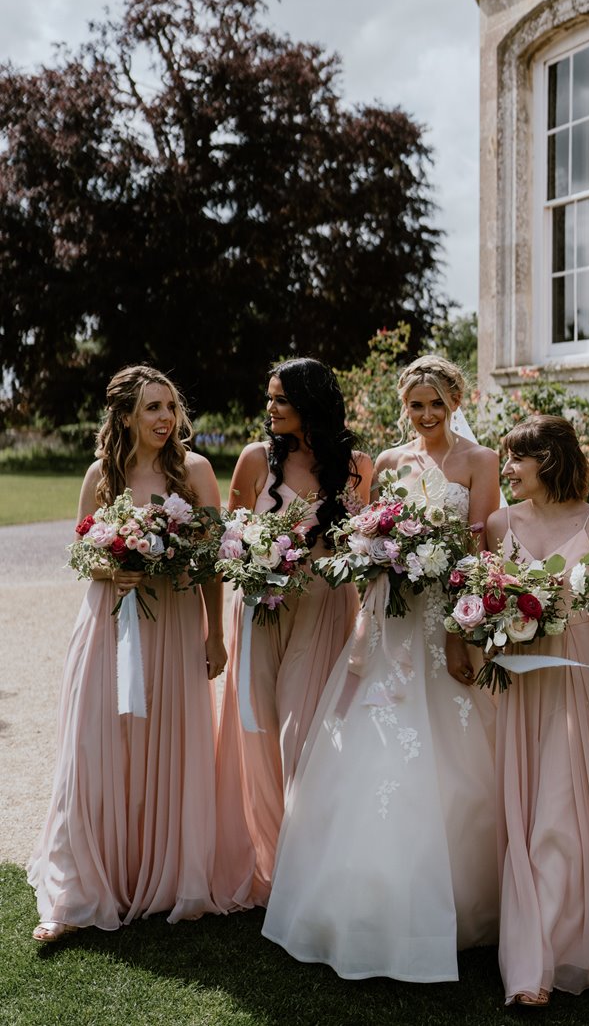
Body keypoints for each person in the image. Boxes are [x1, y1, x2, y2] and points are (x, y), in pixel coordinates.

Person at [261, 354, 500, 981]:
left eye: (436, 404)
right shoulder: (389, 463)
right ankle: (361, 900)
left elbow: (477, 552)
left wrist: (457, 635)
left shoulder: (480, 463)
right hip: (390, 617)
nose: (425, 416)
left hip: (443, 615)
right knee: (366, 747)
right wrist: (372, 572)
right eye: (415, 405)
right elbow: (365, 540)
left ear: (455, 401)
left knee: (460, 763)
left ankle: (462, 902)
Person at [28, 365, 240, 942]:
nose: (165, 418)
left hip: (172, 625)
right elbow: (82, 556)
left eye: (170, 406)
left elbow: (214, 558)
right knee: (97, 746)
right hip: (108, 624)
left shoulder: (195, 471)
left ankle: (166, 876)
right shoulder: (103, 473)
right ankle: (80, 889)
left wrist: (215, 633)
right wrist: (119, 564)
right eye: (152, 407)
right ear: (124, 415)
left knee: (165, 742)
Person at [483, 415, 589, 1008]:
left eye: (516, 461)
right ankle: (530, 951)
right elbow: (485, 597)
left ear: (546, 460)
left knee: (564, 805)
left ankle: (562, 949)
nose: (508, 471)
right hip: (522, 679)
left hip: (579, 672)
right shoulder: (499, 523)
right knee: (526, 803)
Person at [214, 358, 372, 906]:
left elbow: (363, 543)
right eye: (270, 397)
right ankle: (271, 866)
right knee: (256, 733)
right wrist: (258, 561)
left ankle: (312, 864)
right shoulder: (255, 460)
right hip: (259, 608)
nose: (271, 407)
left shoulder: (356, 465)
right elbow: (229, 539)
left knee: (302, 734)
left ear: (311, 403)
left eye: (281, 398)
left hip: (323, 607)